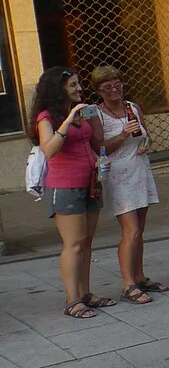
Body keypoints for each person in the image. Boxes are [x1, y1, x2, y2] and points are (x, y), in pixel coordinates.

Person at [31, 67, 109, 319]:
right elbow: (50, 149)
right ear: (59, 89)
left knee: (86, 242)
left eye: (78, 84)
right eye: (73, 85)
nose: (79, 89)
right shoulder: (47, 117)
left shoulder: (82, 112)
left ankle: (85, 293)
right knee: (73, 244)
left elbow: (92, 141)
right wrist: (67, 121)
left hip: (90, 183)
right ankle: (72, 299)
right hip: (65, 187)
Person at [91, 65, 163, 305]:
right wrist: (122, 135)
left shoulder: (133, 108)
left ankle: (139, 276)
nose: (114, 90)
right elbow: (98, 148)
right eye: (107, 87)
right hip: (118, 176)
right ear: (99, 91)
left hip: (139, 170)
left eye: (117, 84)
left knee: (139, 229)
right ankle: (127, 284)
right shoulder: (97, 115)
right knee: (130, 230)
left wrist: (146, 142)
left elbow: (146, 134)